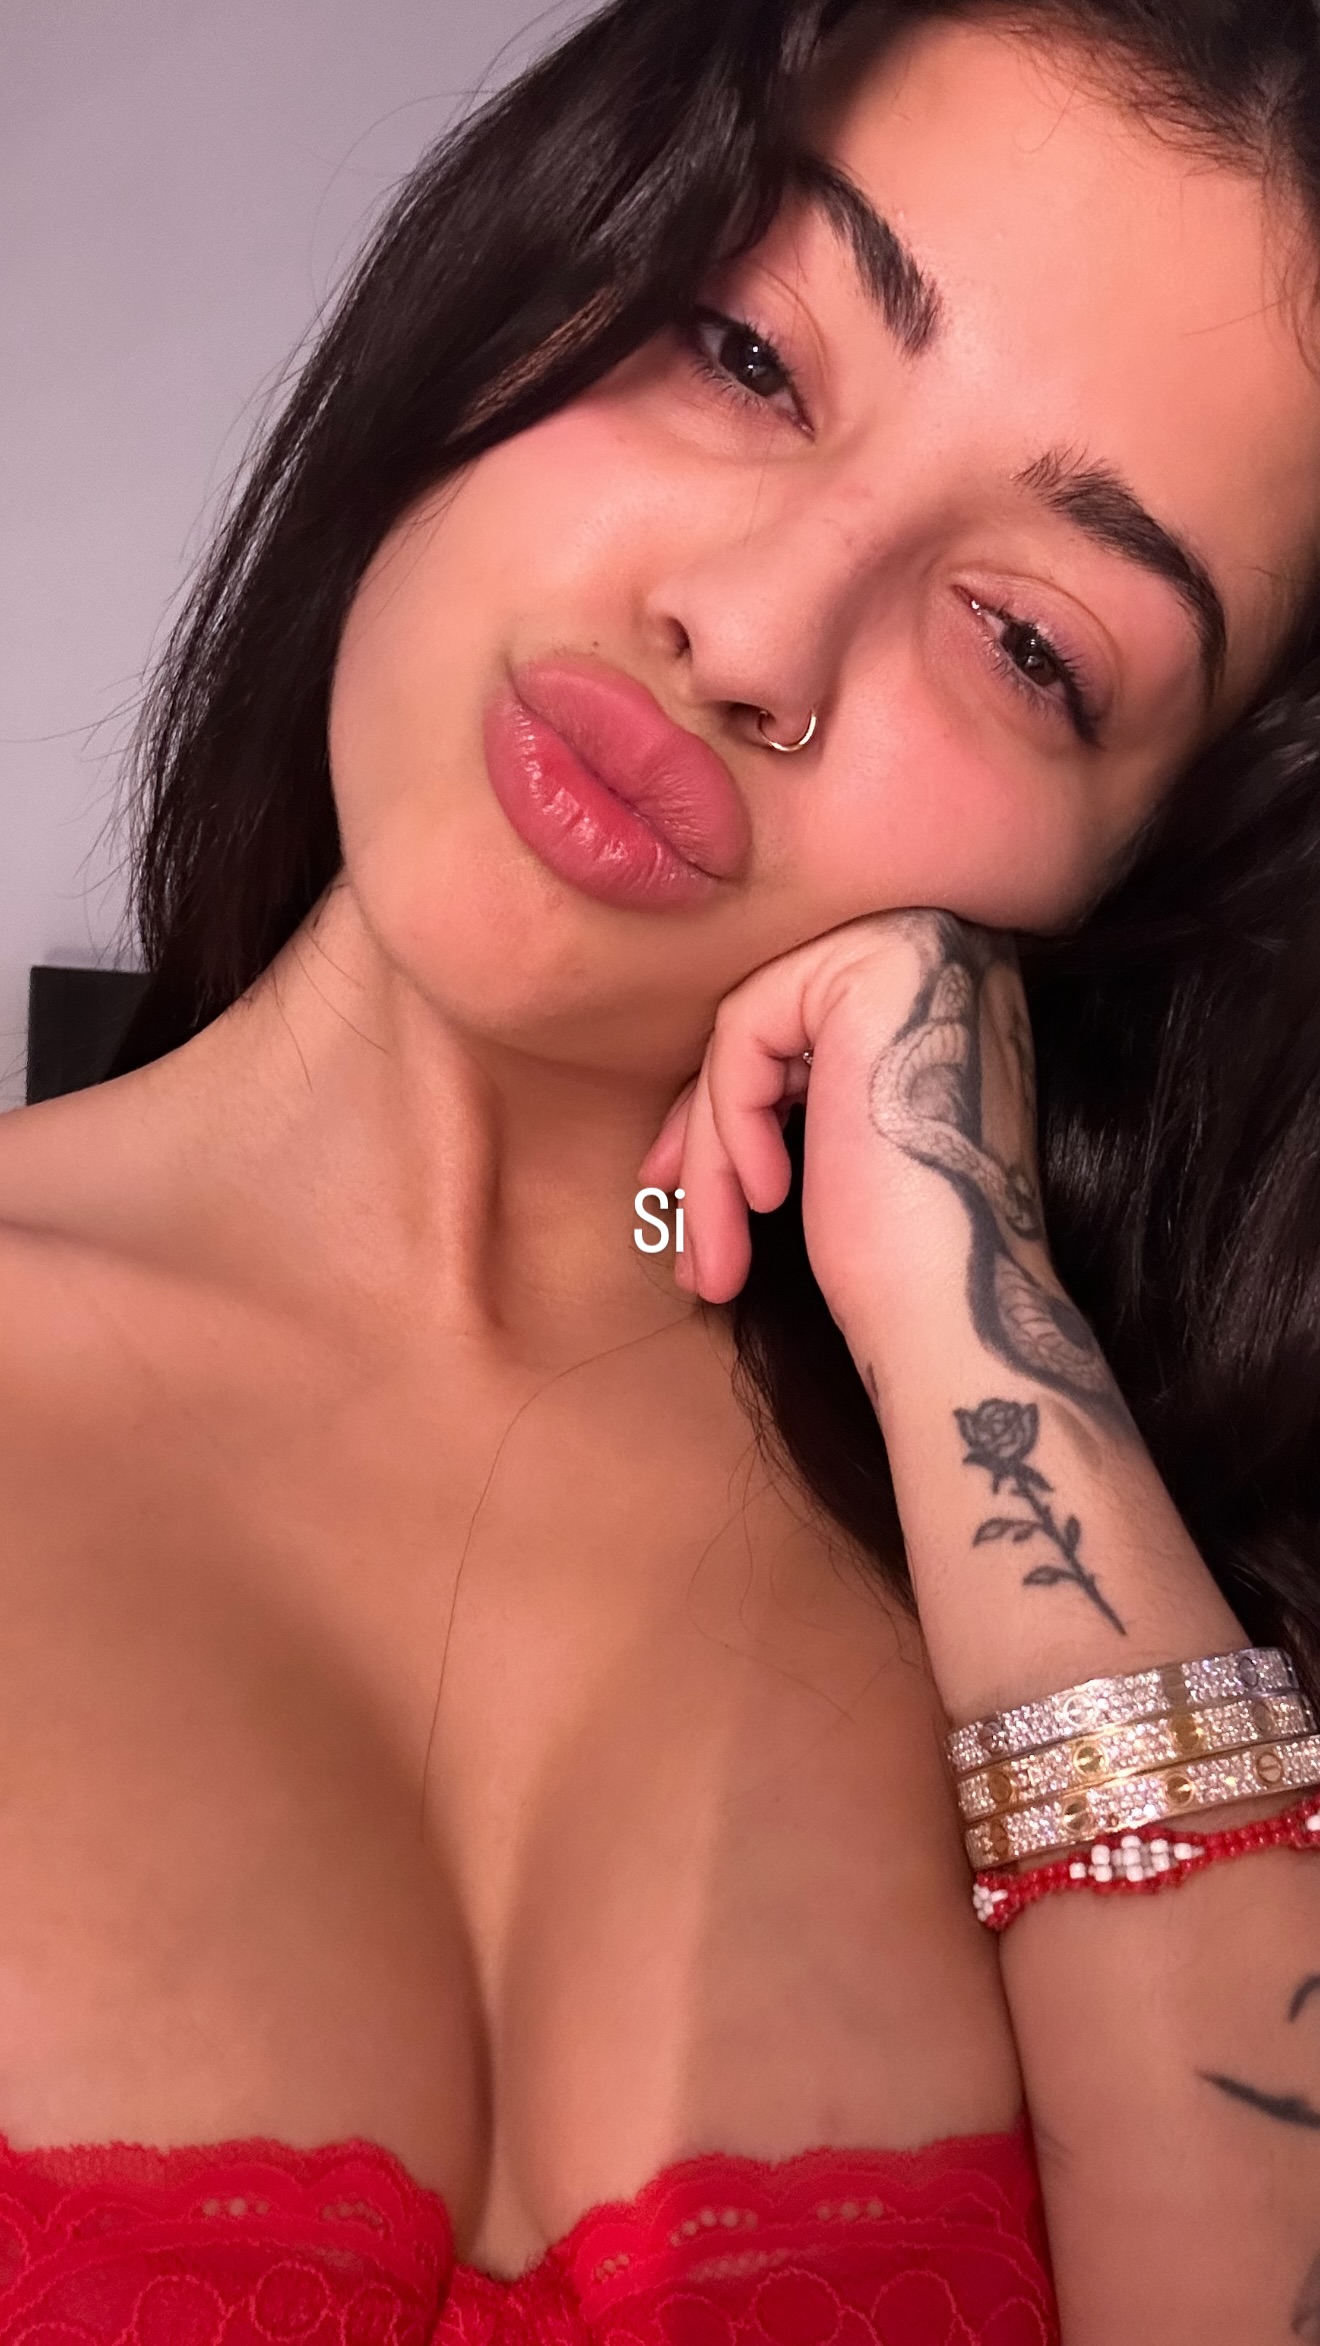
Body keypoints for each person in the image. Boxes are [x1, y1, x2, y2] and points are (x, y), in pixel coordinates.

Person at [0, 0, 1319, 2337]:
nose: (753, 629)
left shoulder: (1137, 1578)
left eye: (1029, 644)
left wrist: (968, 1309)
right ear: (530, 269)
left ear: (1153, 862)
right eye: (746, 349)